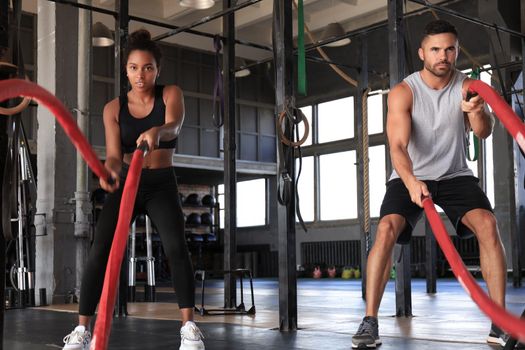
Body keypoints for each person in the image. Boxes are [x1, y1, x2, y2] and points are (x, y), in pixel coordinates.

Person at [351, 20, 507, 348]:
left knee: (488, 225)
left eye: (449, 49)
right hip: (411, 172)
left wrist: (477, 111)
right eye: (435, 49)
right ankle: (370, 321)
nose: (443, 56)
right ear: (423, 52)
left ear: (456, 50)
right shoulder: (404, 92)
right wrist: (409, 181)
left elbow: (484, 131)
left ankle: (499, 322)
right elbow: (397, 146)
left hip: (454, 174)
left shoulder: (468, 87)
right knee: (386, 230)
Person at [62, 29, 204, 350]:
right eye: (134, 68)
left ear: (158, 70)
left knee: (176, 249)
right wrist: (107, 173)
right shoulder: (113, 108)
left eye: (148, 68)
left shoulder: (171, 95)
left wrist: (158, 130)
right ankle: (83, 331)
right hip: (127, 182)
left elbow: (175, 126)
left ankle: (189, 328)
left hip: (160, 182)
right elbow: (114, 157)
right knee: (101, 252)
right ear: (126, 70)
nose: (141, 75)